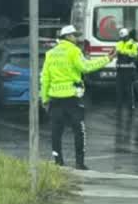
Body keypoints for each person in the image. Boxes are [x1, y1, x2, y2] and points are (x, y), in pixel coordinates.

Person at [41, 25, 116, 170]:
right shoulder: (74, 51)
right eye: (75, 35)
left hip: (55, 98)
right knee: (78, 131)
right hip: (72, 98)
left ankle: (58, 161)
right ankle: (79, 163)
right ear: (68, 36)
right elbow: (86, 67)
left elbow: (45, 78)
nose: (77, 38)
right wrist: (107, 59)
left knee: (56, 132)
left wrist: (44, 99)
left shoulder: (50, 54)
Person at [115, 27, 138, 112]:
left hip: (129, 70)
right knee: (119, 89)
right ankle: (119, 106)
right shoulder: (119, 43)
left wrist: (124, 53)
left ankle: (131, 106)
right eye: (121, 38)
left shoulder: (133, 44)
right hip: (120, 69)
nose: (122, 39)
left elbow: (134, 55)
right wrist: (123, 53)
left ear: (127, 36)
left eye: (124, 37)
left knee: (129, 89)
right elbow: (117, 52)